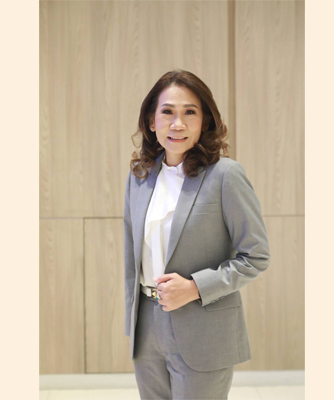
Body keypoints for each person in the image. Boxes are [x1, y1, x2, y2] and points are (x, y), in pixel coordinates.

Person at [123, 69, 271, 400]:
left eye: (190, 112)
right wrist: (133, 324)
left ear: (204, 122)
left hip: (203, 328)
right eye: (167, 112)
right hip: (146, 328)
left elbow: (256, 256)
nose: (178, 124)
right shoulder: (140, 176)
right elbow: (131, 260)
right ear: (151, 121)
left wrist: (194, 288)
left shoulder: (226, 176)